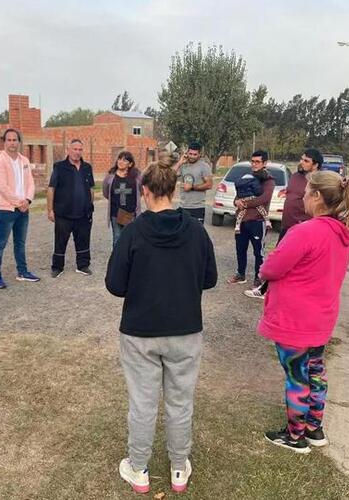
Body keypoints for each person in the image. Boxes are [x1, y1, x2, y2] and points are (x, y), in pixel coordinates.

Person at [105, 155, 217, 494]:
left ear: (146, 191)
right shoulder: (196, 231)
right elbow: (209, 279)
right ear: (173, 190)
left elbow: (114, 284)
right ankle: (178, 468)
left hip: (140, 332)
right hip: (184, 330)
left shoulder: (133, 232)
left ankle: (138, 468)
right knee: (180, 403)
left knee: (143, 403)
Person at [258, 170, 349, 453]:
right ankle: (314, 426)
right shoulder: (344, 233)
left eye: (306, 193)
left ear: (317, 196)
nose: (302, 197)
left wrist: (266, 265)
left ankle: (295, 436)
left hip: (295, 319)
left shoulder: (305, 232)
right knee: (315, 371)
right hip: (321, 317)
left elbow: (272, 268)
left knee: (296, 376)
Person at [243, 148, 322, 298]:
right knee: (279, 258)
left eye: (306, 161)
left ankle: (283, 292)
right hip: (287, 225)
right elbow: (294, 190)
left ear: (315, 165)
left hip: (302, 228)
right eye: (301, 158)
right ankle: (264, 290)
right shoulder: (296, 176)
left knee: (294, 263)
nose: (301, 162)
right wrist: (286, 191)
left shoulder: (318, 182)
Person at [0, 128, 39, 288]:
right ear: (4, 142)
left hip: (24, 208)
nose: (12, 143)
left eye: (15, 140)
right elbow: (2, 187)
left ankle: (22, 272)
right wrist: (19, 202)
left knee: (20, 242)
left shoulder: (24, 160)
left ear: (19, 142)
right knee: (0, 243)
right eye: (9, 140)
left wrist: (28, 200)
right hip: (6, 209)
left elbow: (30, 182)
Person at [47, 139, 95, 277]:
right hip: (63, 213)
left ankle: (83, 265)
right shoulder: (59, 167)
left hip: (83, 214)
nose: (77, 152)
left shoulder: (87, 168)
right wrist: (50, 210)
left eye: (80, 149)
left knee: (83, 240)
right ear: (68, 150)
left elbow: (91, 189)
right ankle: (57, 267)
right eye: (75, 149)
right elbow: (51, 189)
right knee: (60, 241)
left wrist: (90, 205)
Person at [226, 150, 274, 286]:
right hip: (242, 221)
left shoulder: (268, 180)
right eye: (252, 161)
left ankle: (259, 277)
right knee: (240, 249)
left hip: (257, 221)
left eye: (257, 162)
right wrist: (236, 202)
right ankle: (240, 274)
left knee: (258, 252)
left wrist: (244, 203)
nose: (254, 164)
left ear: (265, 163)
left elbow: (264, 198)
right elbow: (238, 195)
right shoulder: (246, 177)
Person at [102, 151, 142, 247]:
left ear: (130, 164)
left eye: (124, 160)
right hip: (115, 213)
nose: (120, 161)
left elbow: (141, 191)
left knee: (131, 240)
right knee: (117, 239)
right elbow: (106, 192)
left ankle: (130, 261)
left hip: (131, 213)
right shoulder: (110, 176)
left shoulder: (136, 177)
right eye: (119, 159)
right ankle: (117, 261)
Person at [173, 142, 212, 224]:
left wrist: (192, 187)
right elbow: (170, 174)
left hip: (197, 207)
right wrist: (180, 162)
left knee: (196, 235)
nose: (192, 156)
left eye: (195, 154)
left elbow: (209, 185)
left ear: (199, 154)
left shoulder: (204, 166)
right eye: (190, 154)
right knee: (181, 235)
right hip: (183, 206)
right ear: (186, 153)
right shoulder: (183, 165)